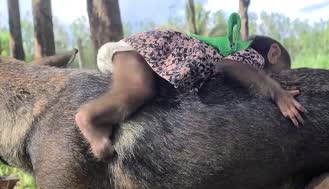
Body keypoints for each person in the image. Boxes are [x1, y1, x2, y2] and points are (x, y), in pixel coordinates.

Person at [76, 13, 304, 160]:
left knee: (144, 94)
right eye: (278, 72)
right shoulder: (251, 57)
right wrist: (276, 92)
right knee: (139, 88)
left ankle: (106, 120)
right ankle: (89, 118)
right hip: (142, 50)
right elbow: (229, 66)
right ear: (273, 53)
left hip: (147, 54)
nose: (274, 77)